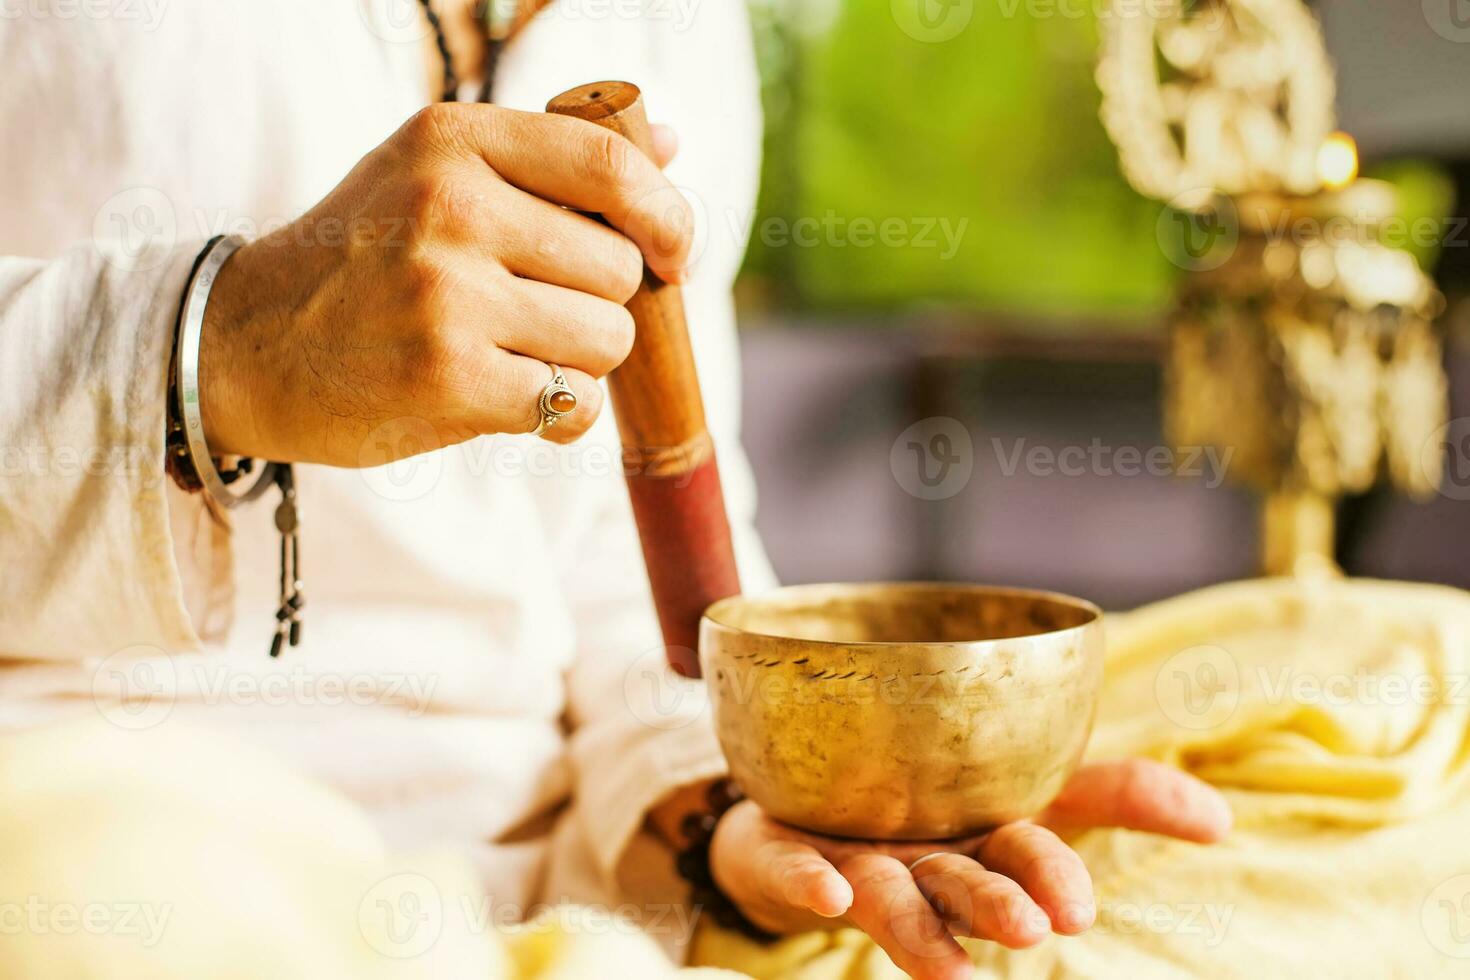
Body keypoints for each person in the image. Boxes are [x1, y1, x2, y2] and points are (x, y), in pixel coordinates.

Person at [0, 3, 1228, 977]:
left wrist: (730, 800)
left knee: (1404, 695)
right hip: (104, 827)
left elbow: (609, 542)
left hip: (575, 877)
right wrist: (216, 347)